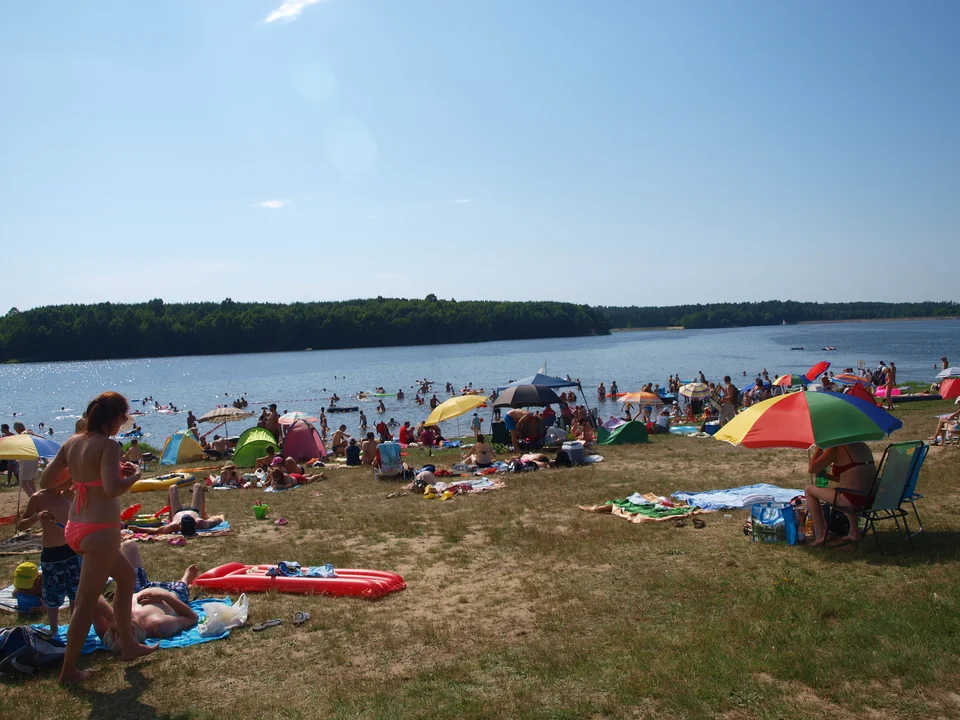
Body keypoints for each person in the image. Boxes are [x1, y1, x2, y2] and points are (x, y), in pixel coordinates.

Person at [38, 391, 157, 684]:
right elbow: (112, 489)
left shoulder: (72, 442)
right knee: (85, 603)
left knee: (127, 578)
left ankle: (129, 645)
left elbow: (45, 481)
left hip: (76, 528)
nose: (123, 424)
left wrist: (81, 478)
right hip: (100, 531)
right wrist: (135, 475)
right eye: (123, 418)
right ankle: (68, 671)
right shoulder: (109, 445)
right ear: (114, 418)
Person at [93, 542, 198, 646]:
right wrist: (163, 596)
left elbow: (92, 597)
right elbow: (193, 618)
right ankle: (185, 580)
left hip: (135, 589)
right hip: (172, 592)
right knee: (182, 586)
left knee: (129, 545)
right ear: (133, 629)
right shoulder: (158, 625)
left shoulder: (109, 622)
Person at [17, 485, 80, 633]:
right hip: (52, 554)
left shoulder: (69, 493)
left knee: (75, 593)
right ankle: (54, 629)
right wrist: (37, 516)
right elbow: (20, 526)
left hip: (72, 550)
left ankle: (75, 628)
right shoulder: (38, 498)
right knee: (52, 594)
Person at [803, 442, 876, 546]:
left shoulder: (836, 447)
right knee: (848, 489)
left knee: (809, 490)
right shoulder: (863, 446)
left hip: (852, 501)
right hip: (871, 499)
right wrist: (828, 476)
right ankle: (854, 532)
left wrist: (818, 450)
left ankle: (822, 534)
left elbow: (812, 468)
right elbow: (851, 476)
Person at [128, 484, 225, 535]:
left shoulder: (175, 525)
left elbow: (157, 530)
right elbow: (216, 520)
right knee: (198, 486)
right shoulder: (201, 522)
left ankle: (171, 516)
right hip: (195, 511)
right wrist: (219, 517)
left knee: (173, 487)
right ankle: (203, 513)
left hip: (177, 513)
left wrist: (137, 528)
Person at [13, 422, 40, 497]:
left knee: (24, 482)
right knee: (31, 482)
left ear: (18, 429)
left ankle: (34, 499)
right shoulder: (31, 433)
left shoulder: (23, 435)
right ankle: (36, 497)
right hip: (34, 457)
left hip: (27, 459)